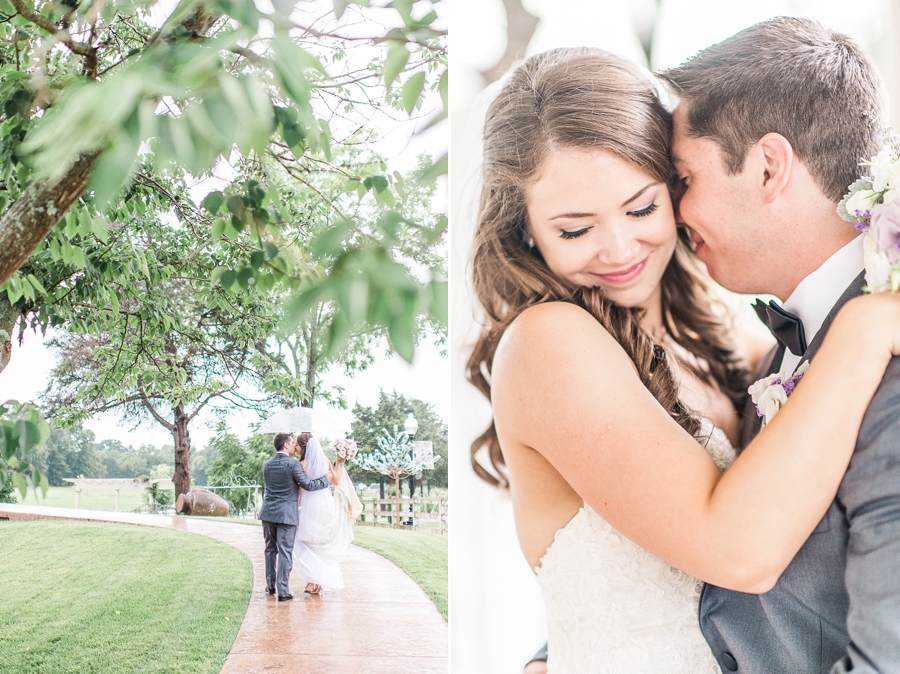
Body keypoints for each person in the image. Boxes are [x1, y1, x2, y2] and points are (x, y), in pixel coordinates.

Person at [466, 39, 900, 674]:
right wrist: (864, 329)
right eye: (575, 229)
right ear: (525, 228)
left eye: (643, 206)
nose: (619, 249)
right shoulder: (547, 341)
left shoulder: (734, 339)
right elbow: (733, 551)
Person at [258, 432, 335, 602]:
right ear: (285, 445)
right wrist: (325, 479)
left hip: (268, 513)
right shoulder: (293, 465)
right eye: (292, 442)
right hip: (287, 515)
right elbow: (308, 485)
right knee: (285, 552)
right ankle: (283, 591)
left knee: (270, 550)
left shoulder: (266, 464)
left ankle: (270, 586)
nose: (295, 445)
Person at [293, 433, 362, 594]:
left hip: (311, 505)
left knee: (309, 541)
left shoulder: (301, 465)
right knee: (321, 542)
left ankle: (313, 580)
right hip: (325, 504)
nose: (295, 446)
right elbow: (336, 480)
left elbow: (301, 489)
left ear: (303, 447)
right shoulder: (324, 460)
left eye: (296, 444)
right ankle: (315, 581)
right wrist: (338, 462)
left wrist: (295, 506)